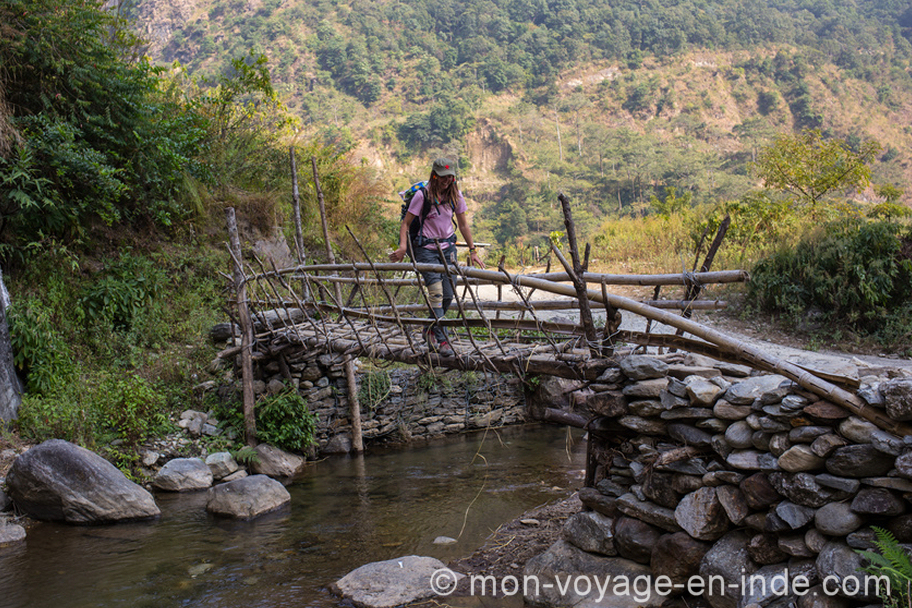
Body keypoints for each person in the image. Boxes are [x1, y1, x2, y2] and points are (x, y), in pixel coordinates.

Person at [389, 158, 485, 355]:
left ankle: (429, 329)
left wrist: (472, 250)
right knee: (436, 294)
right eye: (442, 176)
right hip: (425, 249)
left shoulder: (455, 195)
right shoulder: (422, 196)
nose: (446, 180)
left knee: (449, 294)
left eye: (449, 176)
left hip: (448, 248)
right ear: (434, 175)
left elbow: (464, 225)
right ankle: (442, 342)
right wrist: (402, 247)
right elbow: (406, 224)